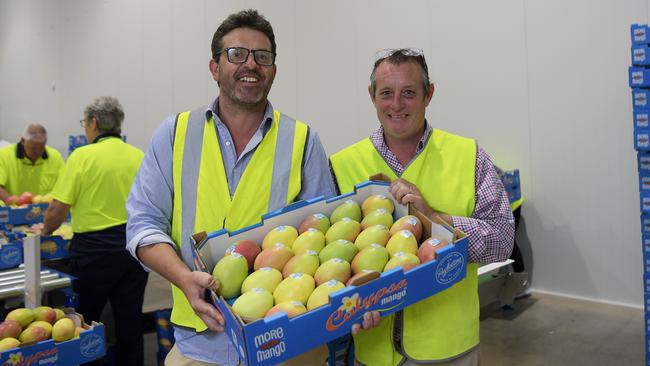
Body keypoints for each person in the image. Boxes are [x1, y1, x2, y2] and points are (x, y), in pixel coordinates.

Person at [125, 9, 336, 366]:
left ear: (273, 69)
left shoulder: (303, 141)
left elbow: (325, 236)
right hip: (199, 346)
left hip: (286, 345)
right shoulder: (175, 134)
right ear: (214, 67)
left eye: (262, 56)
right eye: (237, 54)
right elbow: (142, 224)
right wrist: (183, 277)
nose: (250, 64)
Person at [330, 48, 515, 366]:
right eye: (386, 93)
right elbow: (329, 255)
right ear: (372, 95)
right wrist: (351, 304)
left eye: (409, 93)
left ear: (429, 94)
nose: (397, 105)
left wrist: (432, 218)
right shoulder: (342, 164)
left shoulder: (468, 156)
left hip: (448, 349)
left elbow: (501, 240)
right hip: (372, 351)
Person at [42, 96, 148, 366]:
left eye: (85, 123)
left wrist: (44, 231)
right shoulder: (138, 155)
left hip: (92, 252)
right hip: (134, 251)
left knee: (86, 320)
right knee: (129, 320)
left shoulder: (82, 156)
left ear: (94, 123)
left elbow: (57, 209)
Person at [0, 124, 64, 201]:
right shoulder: (4, 156)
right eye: (33, 148)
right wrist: (13, 201)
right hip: (13, 210)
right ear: (23, 141)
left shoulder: (55, 157)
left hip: (45, 209)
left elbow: (63, 186)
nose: (37, 152)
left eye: (41, 147)